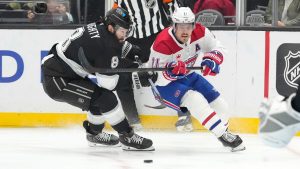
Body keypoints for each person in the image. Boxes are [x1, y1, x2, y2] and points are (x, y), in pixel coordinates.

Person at [41, 7, 154, 151]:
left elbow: (117, 45)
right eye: (122, 32)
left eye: (126, 32)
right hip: (58, 80)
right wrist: (136, 75)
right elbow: (108, 84)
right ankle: (127, 136)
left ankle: (94, 134)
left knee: (96, 99)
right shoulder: (105, 46)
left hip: (63, 71)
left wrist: (136, 53)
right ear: (111, 27)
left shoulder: (102, 28)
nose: (124, 36)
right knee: (106, 98)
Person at [139, 7, 245, 152]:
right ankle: (223, 136)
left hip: (188, 75)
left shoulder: (200, 32)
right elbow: (156, 79)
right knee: (195, 99)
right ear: (174, 26)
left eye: (188, 26)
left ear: (193, 25)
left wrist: (212, 59)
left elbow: (218, 47)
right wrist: (171, 72)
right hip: (165, 86)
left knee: (222, 107)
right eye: (181, 27)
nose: (185, 31)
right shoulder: (162, 43)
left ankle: (223, 131)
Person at [113, 0, 193, 132]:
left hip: (158, 36)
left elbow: (175, 9)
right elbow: (117, 16)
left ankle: (183, 113)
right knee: (123, 76)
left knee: (174, 72)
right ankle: (132, 119)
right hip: (133, 40)